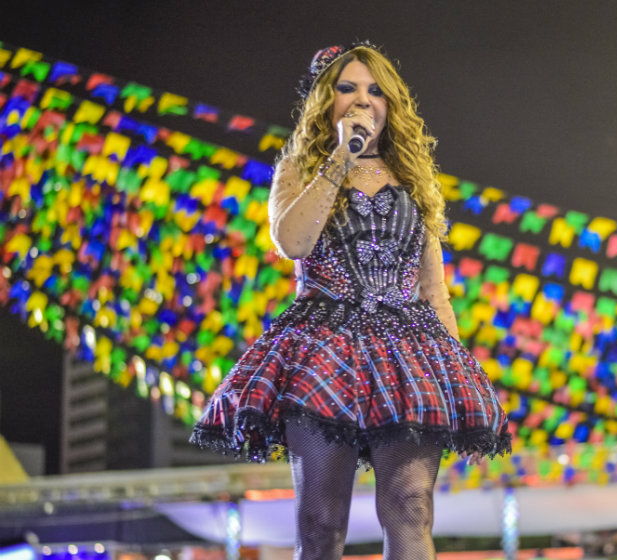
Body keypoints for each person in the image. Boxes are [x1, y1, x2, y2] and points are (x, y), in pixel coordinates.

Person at [190, 43, 511, 559]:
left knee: (410, 506)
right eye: (348, 89)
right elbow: (292, 243)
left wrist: (459, 377)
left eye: (375, 90)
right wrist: (341, 155)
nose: (363, 101)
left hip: (409, 352)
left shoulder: (415, 178)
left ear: (391, 103)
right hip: (323, 350)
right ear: (327, 100)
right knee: (320, 522)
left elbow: (434, 289)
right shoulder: (299, 167)